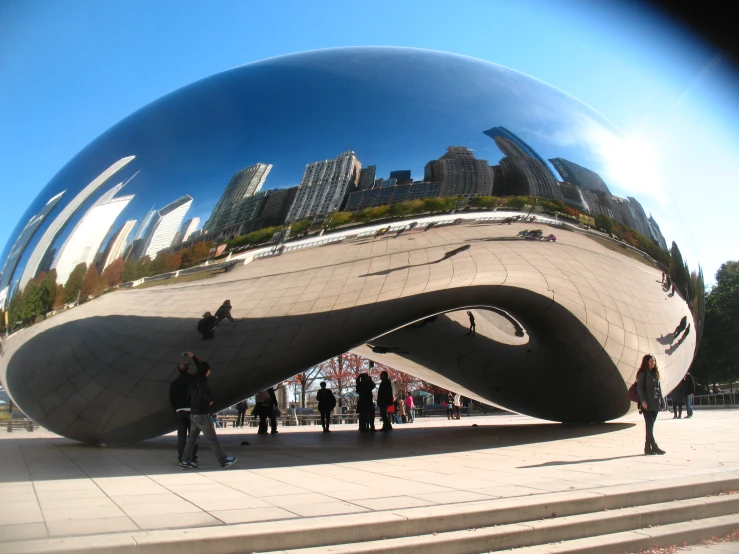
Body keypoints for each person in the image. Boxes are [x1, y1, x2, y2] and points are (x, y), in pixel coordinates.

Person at [180, 352, 237, 469]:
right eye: (209, 370)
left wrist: (193, 357)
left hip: (194, 414)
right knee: (213, 439)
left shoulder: (195, 379)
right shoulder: (202, 381)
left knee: (191, 440)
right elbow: (202, 394)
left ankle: (185, 461)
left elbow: (200, 367)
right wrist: (209, 400)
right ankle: (223, 460)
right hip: (202, 414)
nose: (210, 371)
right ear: (206, 371)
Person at [169, 358, 198, 465]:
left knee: (181, 437)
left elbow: (171, 398)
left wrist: (176, 409)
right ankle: (192, 458)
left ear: (178, 370)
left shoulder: (174, 383)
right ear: (188, 369)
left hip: (180, 412)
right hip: (192, 411)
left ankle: (181, 458)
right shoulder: (193, 380)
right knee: (193, 436)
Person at [636, 354, 666, 456]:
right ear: (646, 363)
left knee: (650, 426)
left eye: (654, 361)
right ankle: (654, 446)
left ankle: (648, 447)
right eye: (651, 361)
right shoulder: (642, 374)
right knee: (649, 426)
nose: (653, 363)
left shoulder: (655, 374)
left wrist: (663, 402)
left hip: (656, 403)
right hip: (647, 404)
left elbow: (659, 389)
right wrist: (643, 401)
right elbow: (639, 388)